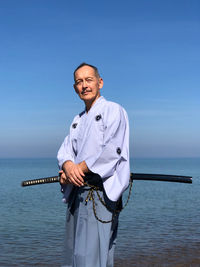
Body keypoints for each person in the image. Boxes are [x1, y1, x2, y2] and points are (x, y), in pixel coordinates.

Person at [57, 63, 130, 267]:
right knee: (74, 254)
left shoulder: (113, 110)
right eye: (79, 82)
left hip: (98, 192)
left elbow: (112, 150)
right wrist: (68, 165)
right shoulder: (77, 120)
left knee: (90, 257)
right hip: (77, 192)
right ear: (75, 88)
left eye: (89, 80)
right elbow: (65, 150)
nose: (84, 85)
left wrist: (77, 168)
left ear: (100, 82)